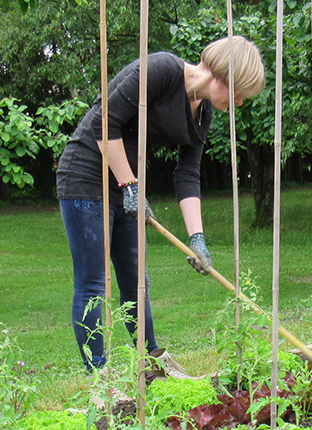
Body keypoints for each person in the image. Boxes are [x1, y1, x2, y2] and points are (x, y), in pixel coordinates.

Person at [56, 35, 266, 371]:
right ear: (221, 74)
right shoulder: (163, 70)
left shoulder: (203, 113)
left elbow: (187, 174)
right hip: (85, 175)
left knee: (136, 280)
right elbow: (102, 123)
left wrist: (197, 239)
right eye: (239, 91)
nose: (239, 102)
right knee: (95, 283)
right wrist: (130, 185)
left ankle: (152, 362)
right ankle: (100, 377)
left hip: (126, 185)